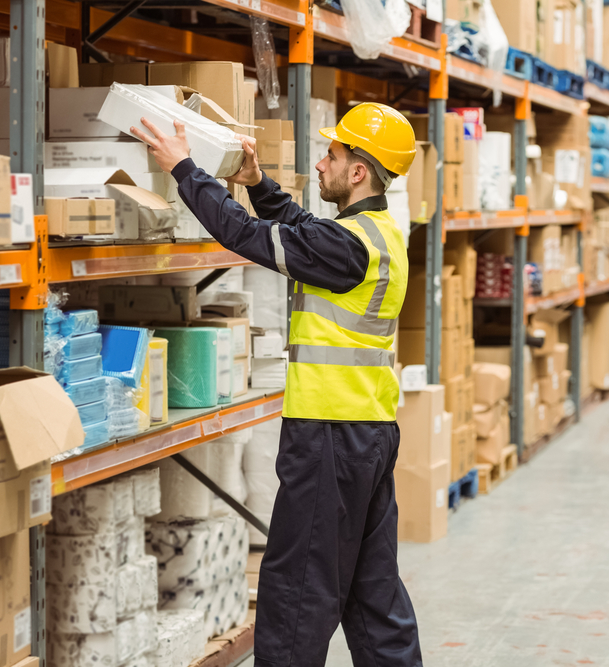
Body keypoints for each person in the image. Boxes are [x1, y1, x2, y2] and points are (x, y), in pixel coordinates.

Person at [132, 103, 423, 666]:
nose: (320, 163)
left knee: (297, 594)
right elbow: (302, 228)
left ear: (359, 171)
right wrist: (259, 183)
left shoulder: (350, 247)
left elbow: (246, 235)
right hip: (369, 434)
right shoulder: (375, 233)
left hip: (331, 440)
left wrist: (183, 167)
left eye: (332, 155)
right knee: (373, 593)